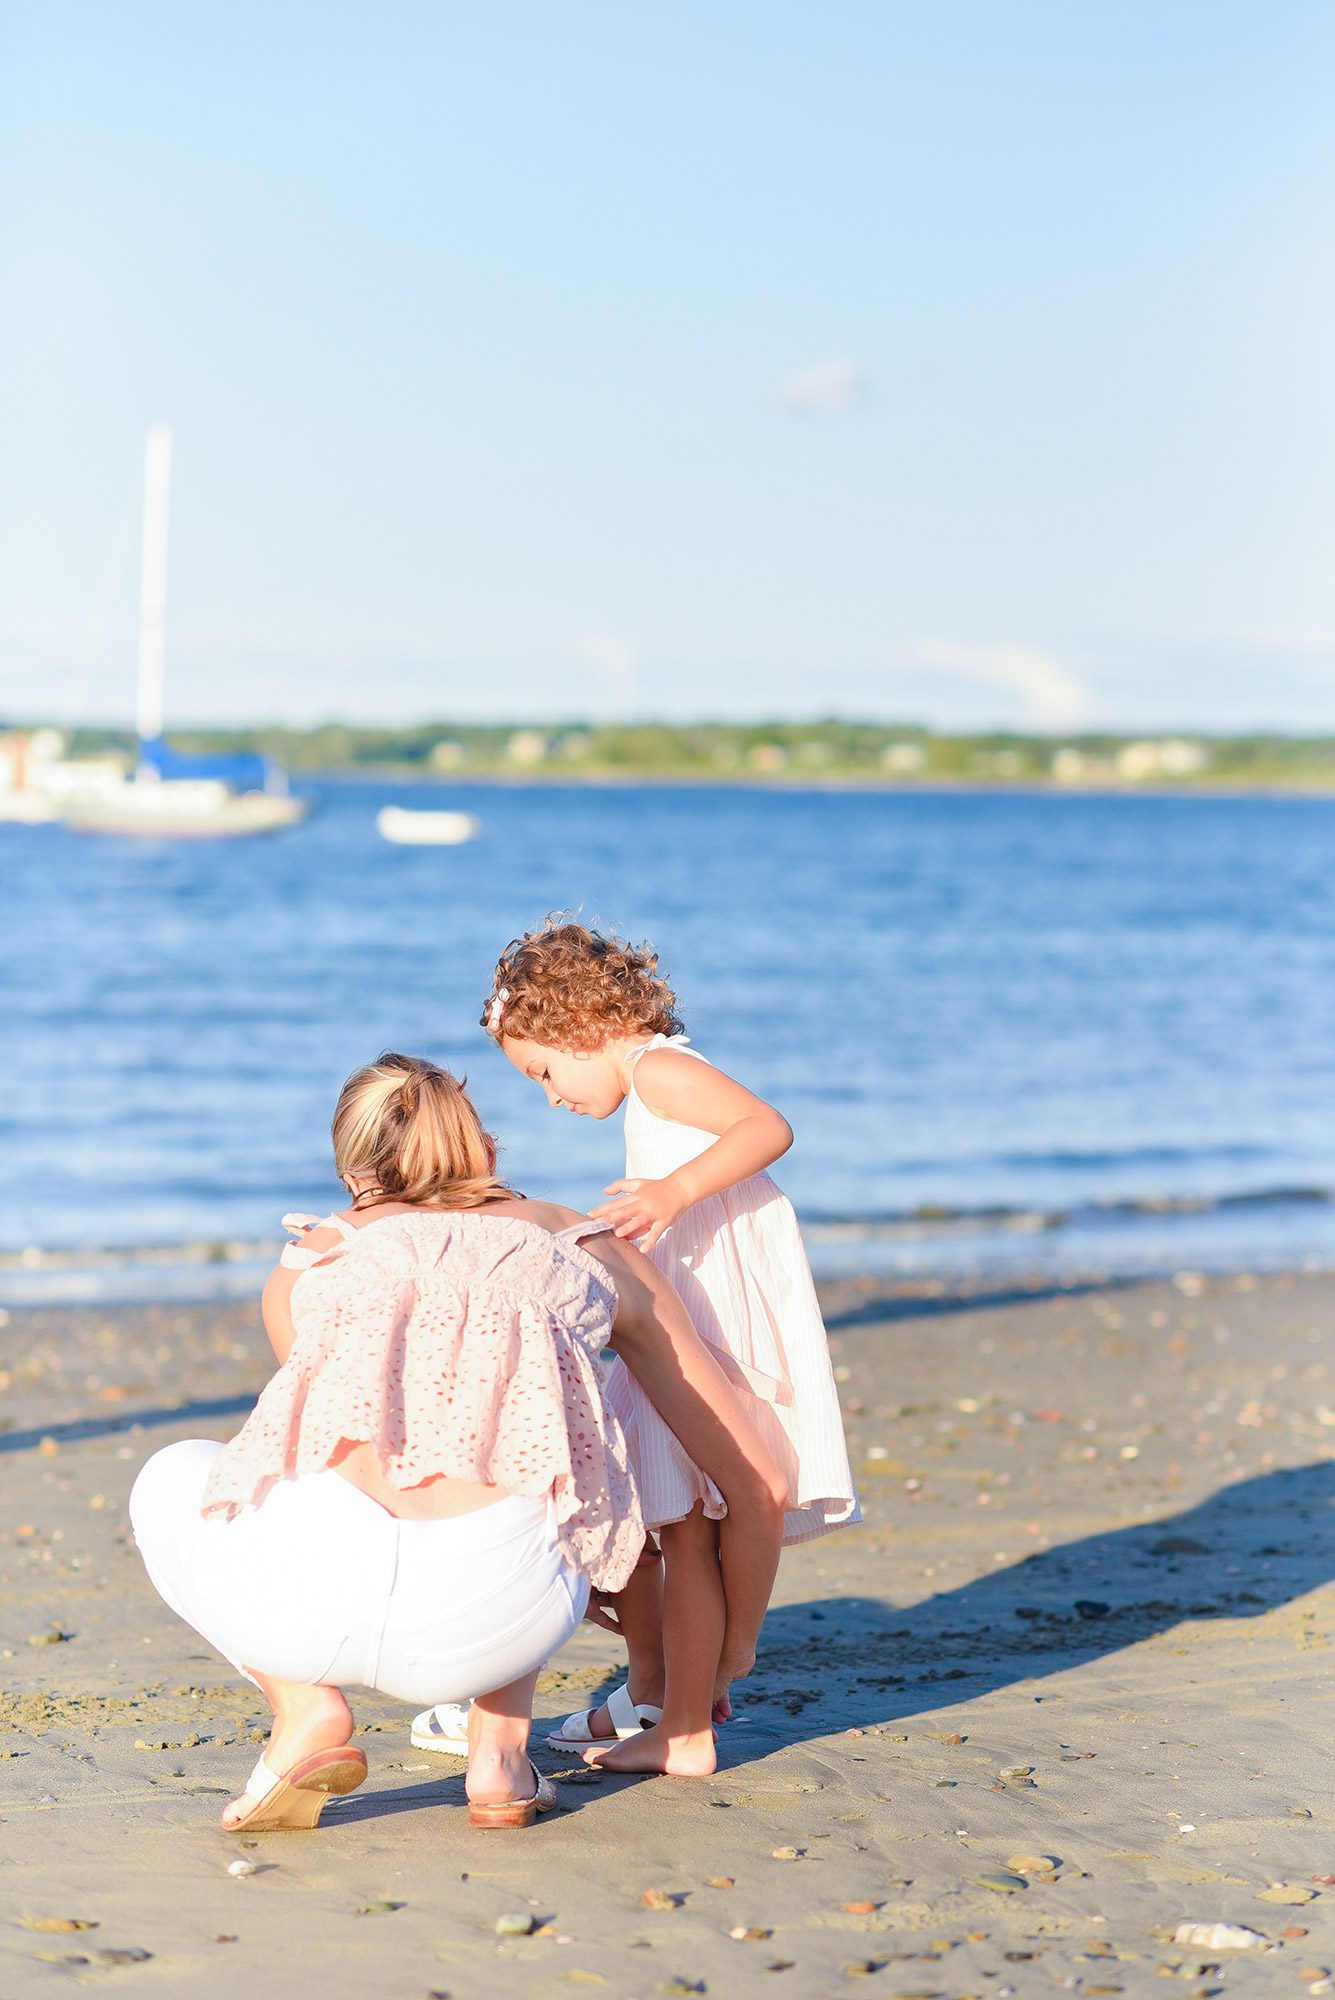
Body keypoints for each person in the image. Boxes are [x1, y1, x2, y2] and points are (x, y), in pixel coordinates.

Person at [130, 1052, 786, 1832]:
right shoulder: (583, 1248)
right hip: (496, 1624)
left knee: (179, 1474)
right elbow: (757, 1484)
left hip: (308, 1620)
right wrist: (732, 1648)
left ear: (351, 1174)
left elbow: (297, 1454)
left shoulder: (310, 1262)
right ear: (487, 1153)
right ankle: (499, 1754)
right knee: (535, 1457)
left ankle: (304, 1708)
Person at [460, 919, 858, 1776]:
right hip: (696, 1290)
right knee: (682, 1522)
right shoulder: (650, 1080)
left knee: (694, 1516)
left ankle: (714, 1678)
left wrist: (672, 1192)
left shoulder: (662, 1071)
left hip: (718, 1300)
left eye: (543, 1071)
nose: (551, 1096)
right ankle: (682, 1715)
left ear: (583, 1028)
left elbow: (766, 1127)